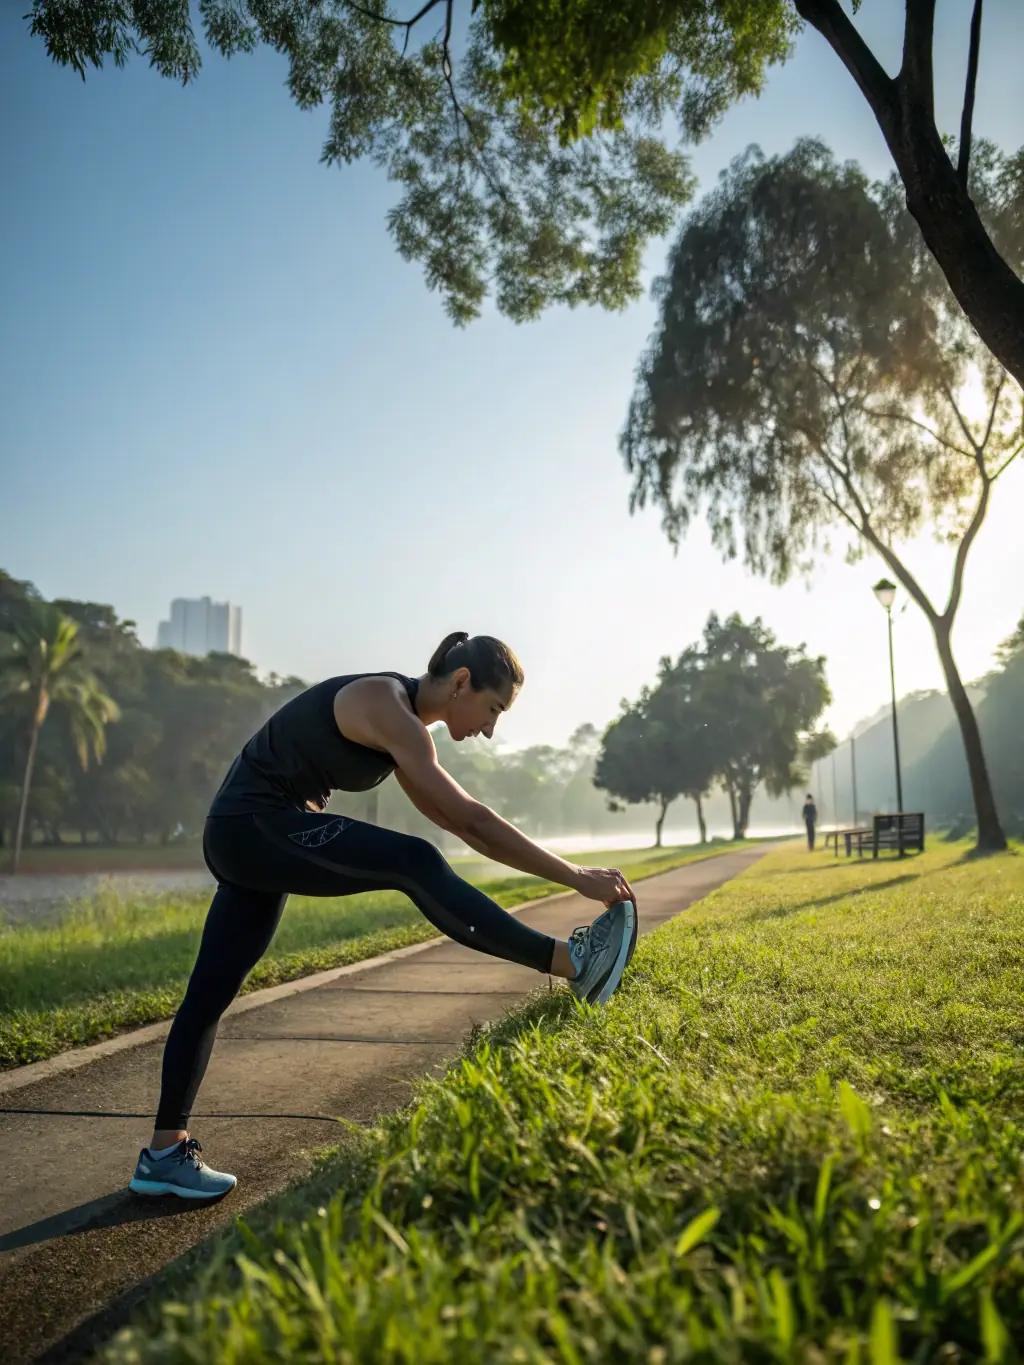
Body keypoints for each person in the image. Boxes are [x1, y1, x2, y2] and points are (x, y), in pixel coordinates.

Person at [129, 633, 637, 1201]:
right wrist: (576, 875)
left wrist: (569, 875)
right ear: (462, 682)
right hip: (255, 825)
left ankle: (163, 1155)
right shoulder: (385, 704)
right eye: (494, 709)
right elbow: (471, 821)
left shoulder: (406, 734)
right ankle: (573, 962)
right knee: (413, 860)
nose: (491, 729)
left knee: (209, 995)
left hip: (250, 833)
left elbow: (461, 824)